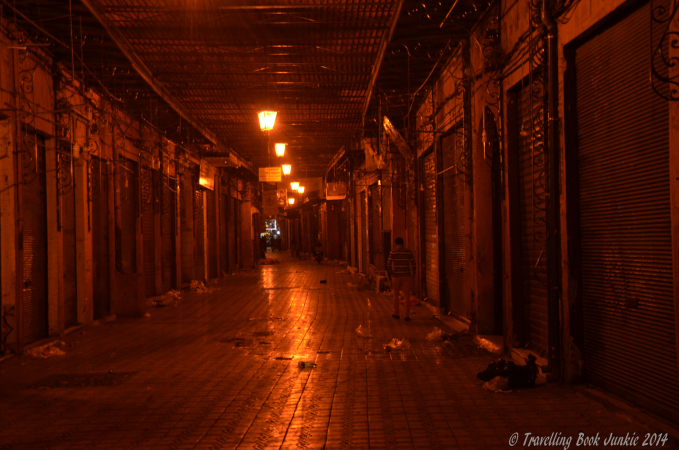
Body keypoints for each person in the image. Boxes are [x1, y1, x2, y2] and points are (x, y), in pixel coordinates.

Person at [387, 237, 416, 321]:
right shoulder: (408, 252)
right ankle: (406, 315)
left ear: (396, 244)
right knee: (406, 295)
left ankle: (396, 313)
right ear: (403, 243)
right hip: (406, 275)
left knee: (395, 294)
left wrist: (391, 273)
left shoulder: (393, 252)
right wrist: (413, 273)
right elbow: (413, 263)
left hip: (396, 276)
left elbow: (389, 264)